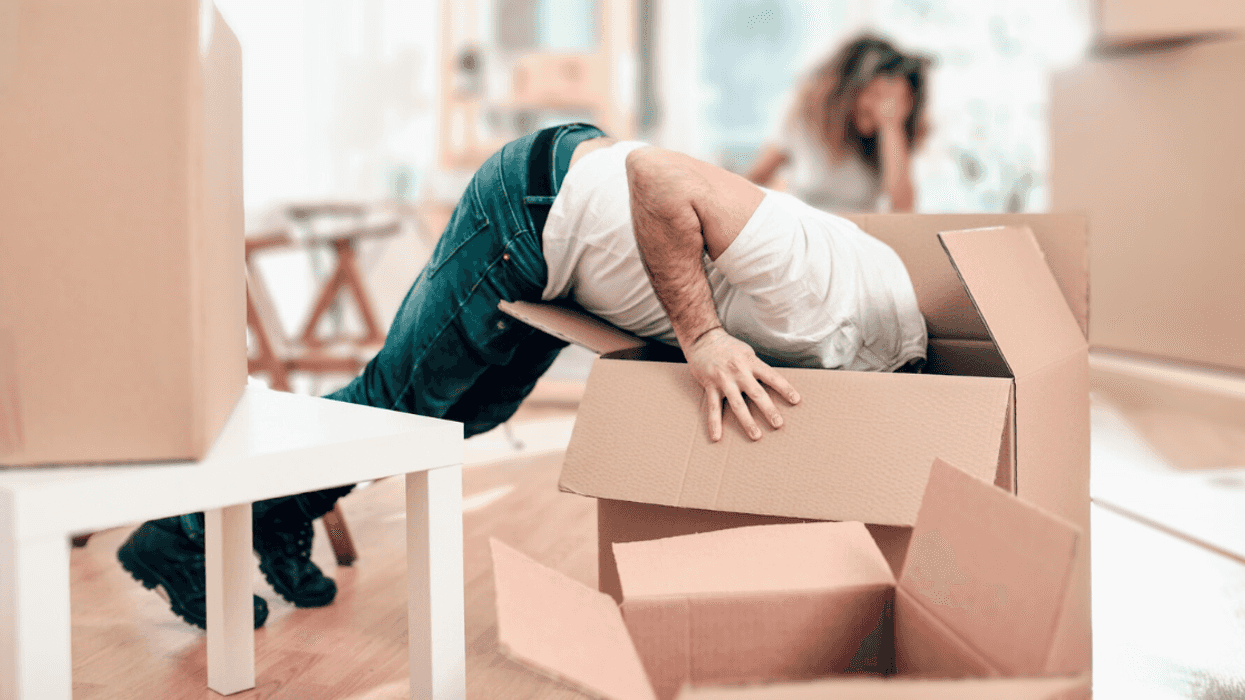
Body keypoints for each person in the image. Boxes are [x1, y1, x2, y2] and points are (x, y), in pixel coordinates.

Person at [117, 122, 927, 629]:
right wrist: (705, 337)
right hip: (527, 211)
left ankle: (279, 511)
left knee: (458, 416)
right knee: (399, 405)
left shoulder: (883, 331)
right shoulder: (820, 303)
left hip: (568, 252)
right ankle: (180, 535)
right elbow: (658, 177)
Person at [746, 34, 931, 213]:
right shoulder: (805, 119)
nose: (884, 108)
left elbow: (903, 208)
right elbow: (756, 178)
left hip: (856, 236)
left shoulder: (888, 138)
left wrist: (891, 127)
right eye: (876, 94)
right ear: (849, 89)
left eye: (898, 101)